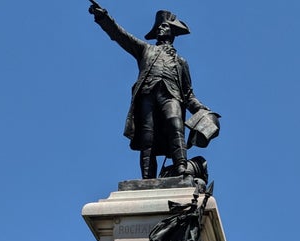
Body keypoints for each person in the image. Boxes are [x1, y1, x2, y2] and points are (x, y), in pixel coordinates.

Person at [89, 5, 210, 179]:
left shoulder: (181, 62)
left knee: (175, 125)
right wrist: (104, 18)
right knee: (147, 137)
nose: (160, 28)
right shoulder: (146, 50)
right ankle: (147, 178)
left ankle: (181, 168)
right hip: (147, 96)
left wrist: (201, 109)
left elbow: (188, 94)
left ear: (173, 32)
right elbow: (120, 36)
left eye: (164, 26)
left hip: (171, 96)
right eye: (159, 26)